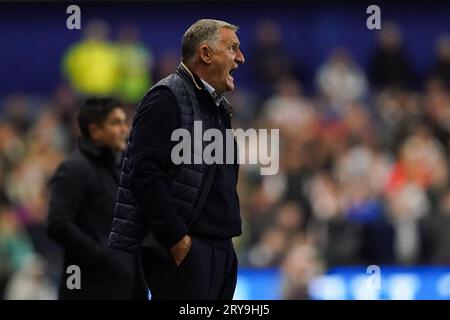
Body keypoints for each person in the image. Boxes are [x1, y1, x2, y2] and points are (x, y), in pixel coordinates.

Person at [109, 19, 245, 300]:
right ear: (205, 54)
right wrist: (176, 239)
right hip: (189, 252)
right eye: (233, 48)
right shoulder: (165, 98)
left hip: (220, 251)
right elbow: (143, 175)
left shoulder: (217, 105)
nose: (241, 58)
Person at [46, 98, 147, 300]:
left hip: (127, 285)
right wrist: (102, 256)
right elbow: (58, 224)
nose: (124, 129)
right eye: (115, 123)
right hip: (90, 287)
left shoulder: (121, 169)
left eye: (124, 122)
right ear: (95, 131)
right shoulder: (74, 169)